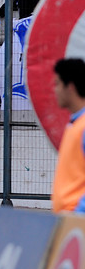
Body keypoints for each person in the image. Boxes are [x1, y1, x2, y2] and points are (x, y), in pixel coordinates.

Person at [51, 58, 85, 213]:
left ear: (70, 87)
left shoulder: (82, 126)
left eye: (57, 84)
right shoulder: (75, 124)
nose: (54, 90)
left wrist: (78, 214)